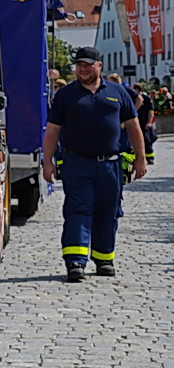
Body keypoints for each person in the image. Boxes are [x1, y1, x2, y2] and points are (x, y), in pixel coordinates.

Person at [42, 46, 146, 282]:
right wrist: (47, 162)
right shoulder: (66, 95)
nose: (83, 68)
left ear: (99, 66)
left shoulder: (118, 92)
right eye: (80, 64)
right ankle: (75, 262)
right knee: (79, 209)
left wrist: (140, 158)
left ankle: (104, 259)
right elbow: (53, 131)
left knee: (108, 212)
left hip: (110, 165)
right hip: (77, 162)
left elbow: (133, 126)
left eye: (88, 64)